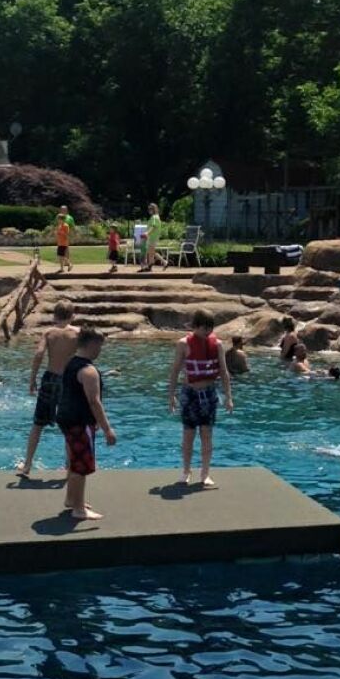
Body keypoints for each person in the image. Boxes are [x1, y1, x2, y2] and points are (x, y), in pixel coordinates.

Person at [168, 308, 233, 487]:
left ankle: (205, 473)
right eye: (204, 328)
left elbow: (224, 372)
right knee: (188, 434)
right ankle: (186, 470)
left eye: (210, 328)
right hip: (189, 394)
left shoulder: (217, 345)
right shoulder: (183, 344)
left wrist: (229, 396)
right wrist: (171, 395)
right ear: (195, 326)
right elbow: (174, 371)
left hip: (209, 394)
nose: (208, 332)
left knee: (207, 434)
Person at [56, 328, 117, 520]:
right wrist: (107, 428)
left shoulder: (70, 363)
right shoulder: (89, 371)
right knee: (81, 465)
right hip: (79, 422)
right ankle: (79, 509)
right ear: (92, 344)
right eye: (100, 346)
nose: (101, 350)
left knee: (74, 460)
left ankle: (71, 500)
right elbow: (94, 401)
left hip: (66, 418)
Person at [16, 299, 79, 477]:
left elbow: (38, 355)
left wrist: (32, 379)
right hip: (70, 380)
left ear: (54, 316)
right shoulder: (78, 333)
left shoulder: (49, 333)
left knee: (38, 424)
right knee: (69, 424)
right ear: (73, 315)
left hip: (51, 378)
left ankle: (27, 465)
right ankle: (69, 466)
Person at [140, 203, 162, 272]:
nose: (149, 210)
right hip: (153, 237)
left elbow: (154, 226)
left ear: (154, 209)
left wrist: (147, 233)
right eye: (149, 209)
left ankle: (150, 266)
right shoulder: (156, 216)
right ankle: (150, 266)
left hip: (153, 237)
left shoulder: (154, 217)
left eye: (151, 209)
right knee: (151, 252)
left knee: (150, 252)